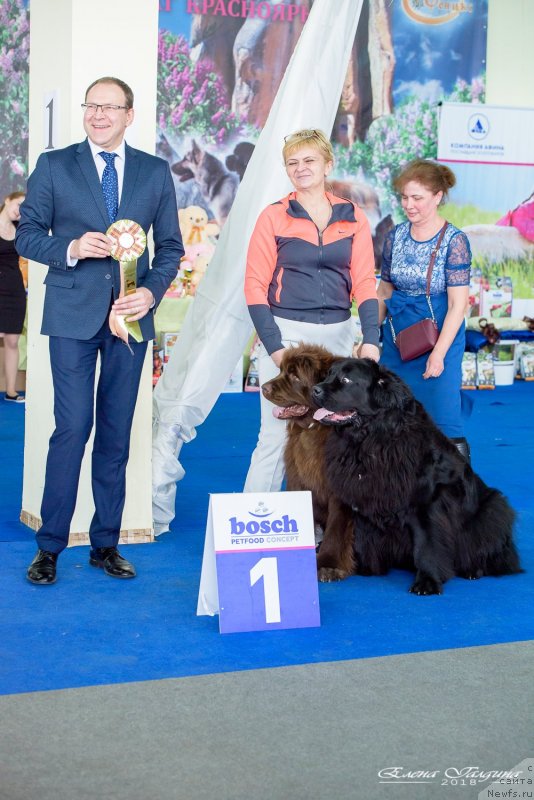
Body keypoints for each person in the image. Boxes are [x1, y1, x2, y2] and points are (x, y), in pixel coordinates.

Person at [16, 77, 184, 585]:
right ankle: (50, 546)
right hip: (71, 316)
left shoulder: (155, 171)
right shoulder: (54, 165)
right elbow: (27, 235)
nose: (98, 114)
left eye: (109, 107)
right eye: (91, 105)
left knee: (117, 430)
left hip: (130, 319)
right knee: (71, 429)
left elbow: (170, 248)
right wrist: (69, 249)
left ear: (129, 115)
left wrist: (150, 293)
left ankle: (105, 543)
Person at [244, 128, 380, 492]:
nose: (301, 168)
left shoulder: (353, 216)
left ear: (327, 165)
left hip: (338, 337)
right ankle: (256, 518)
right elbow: (254, 287)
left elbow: (365, 282)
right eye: (293, 162)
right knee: (275, 436)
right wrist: (276, 348)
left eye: (309, 160)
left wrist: (370, 339)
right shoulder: (273, 216)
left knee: (337, 435)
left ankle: (327, 519)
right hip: (287, 334)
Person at [377, 159, 471, 459]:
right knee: (389, 418)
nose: (409, 205)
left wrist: (439, 354)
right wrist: (368, 337)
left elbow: (457, 305)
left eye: (417, 198)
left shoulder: (455, 241)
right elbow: (384, 290)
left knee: (443, 418)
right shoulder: (394, 237)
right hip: (397, 337)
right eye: (405, 197)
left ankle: (457, 485)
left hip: (438, 336)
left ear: (437, 196)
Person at [0, 191, 26, 403]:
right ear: (8, 200)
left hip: (14, 289)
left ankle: (11, 391)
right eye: (18, 204)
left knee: (12, 340)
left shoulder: (21, 230)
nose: (20, 211)